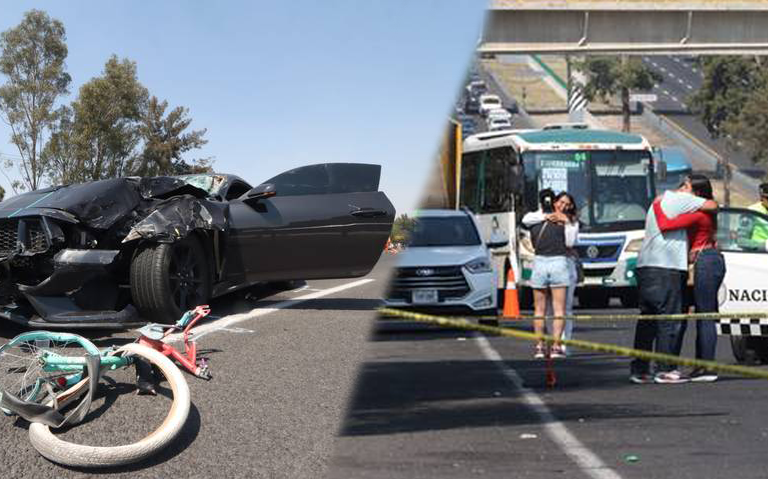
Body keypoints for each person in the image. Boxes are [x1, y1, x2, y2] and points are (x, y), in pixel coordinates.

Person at [630, 176, 718, 384]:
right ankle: (665, 369)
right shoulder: (683, 198)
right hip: (666, 267)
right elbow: (713, 205)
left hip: (645, 265)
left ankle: (640, 369)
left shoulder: (661, 200)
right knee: (669, 320)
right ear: (689, 188)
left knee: (647, 320)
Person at [653, 174, 725, 382]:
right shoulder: (700, 210)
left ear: (698, 193)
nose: (681, 188)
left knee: (705, 314)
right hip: (701, 261)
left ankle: (707, 367)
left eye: (686, 186)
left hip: (705, 262)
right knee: (686, 312)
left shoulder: (698, 213)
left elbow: (665, 224)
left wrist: (657, 204)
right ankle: (691, 366)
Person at [522, 189, 578, 359]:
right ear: (554, 202)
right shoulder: (562, 220)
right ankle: (555, 347)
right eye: (560, 203)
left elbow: (525, 220)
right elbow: (570, 242)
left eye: (567, 205)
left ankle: (540, 347)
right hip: (558, 263)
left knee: (539, 310)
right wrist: (563, 221)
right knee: (559, 310)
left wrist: (562, 219)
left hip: (540, 262)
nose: (563, 206)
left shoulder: (534, 218)